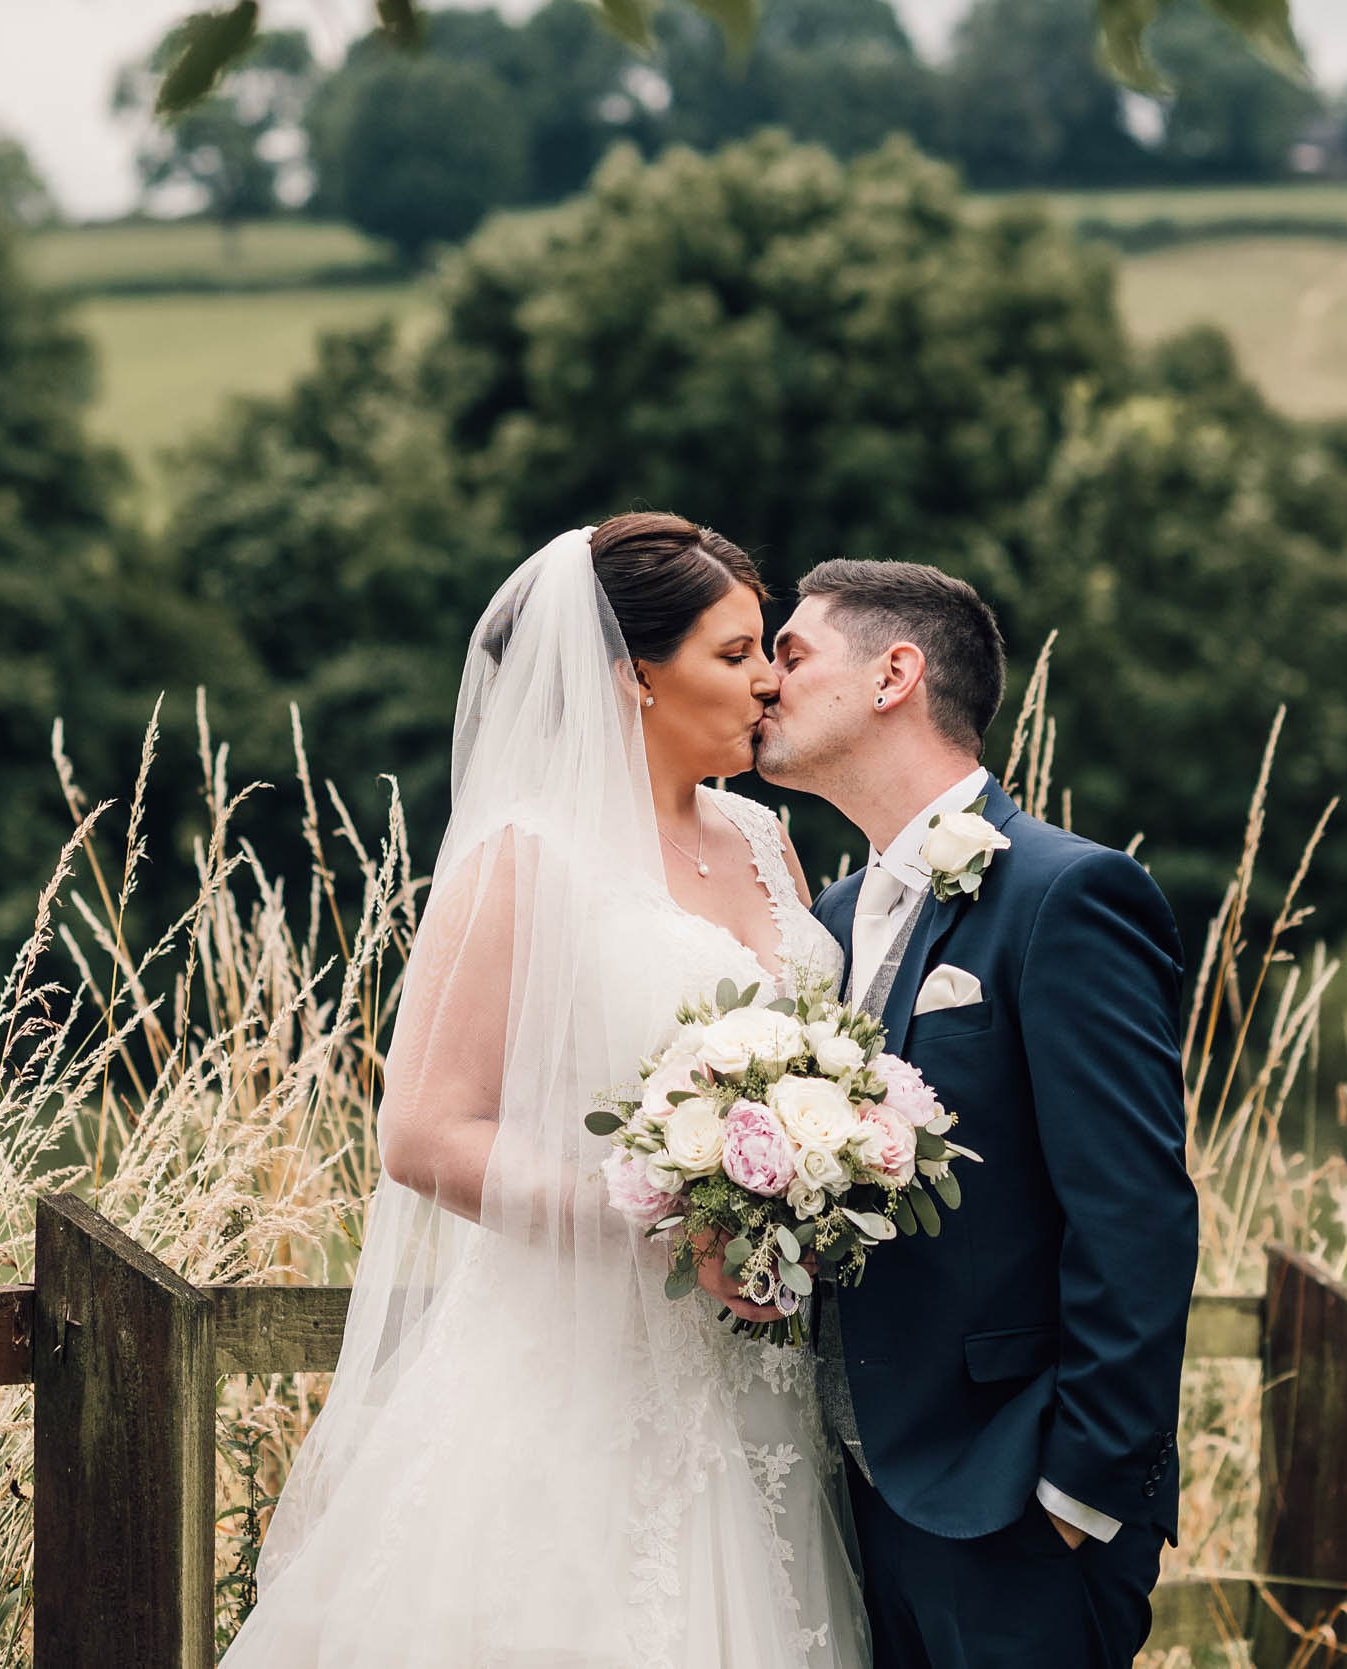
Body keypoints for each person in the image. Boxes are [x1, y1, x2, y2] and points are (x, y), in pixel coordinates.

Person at [218, 515, 869, 1669]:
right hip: (578, 1376)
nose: (770, 680)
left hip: (762, 1374)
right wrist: (671, 1216)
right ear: (633, 679)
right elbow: (422, 1134)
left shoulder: (768, 841)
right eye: (734, 655)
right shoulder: (526, 855)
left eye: (766, 649)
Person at [755, 559, 1201, 1669]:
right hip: (847, 1507)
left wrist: (1079, 1490)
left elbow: (1134, 1211)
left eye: (794, 652)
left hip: (1014, 1509)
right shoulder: (831, 915)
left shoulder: (1067, 894)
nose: (765, 681)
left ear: (894, 673)